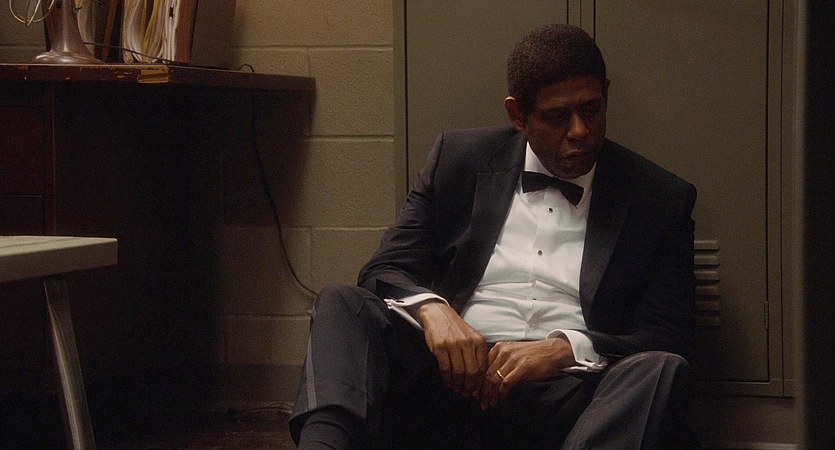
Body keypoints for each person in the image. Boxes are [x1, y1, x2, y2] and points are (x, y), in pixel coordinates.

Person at [290, 23, 697, 449]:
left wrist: (565, 348)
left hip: (575, 394)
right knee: (342, 304)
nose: (579, 130)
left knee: (659, 369)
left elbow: (669, 335)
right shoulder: (458, 160)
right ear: (517, 114)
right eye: (556, 117)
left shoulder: (658, 198)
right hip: (453, 379)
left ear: (606, 96)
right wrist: (433, 309)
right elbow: (385, 268)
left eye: (591, 110)